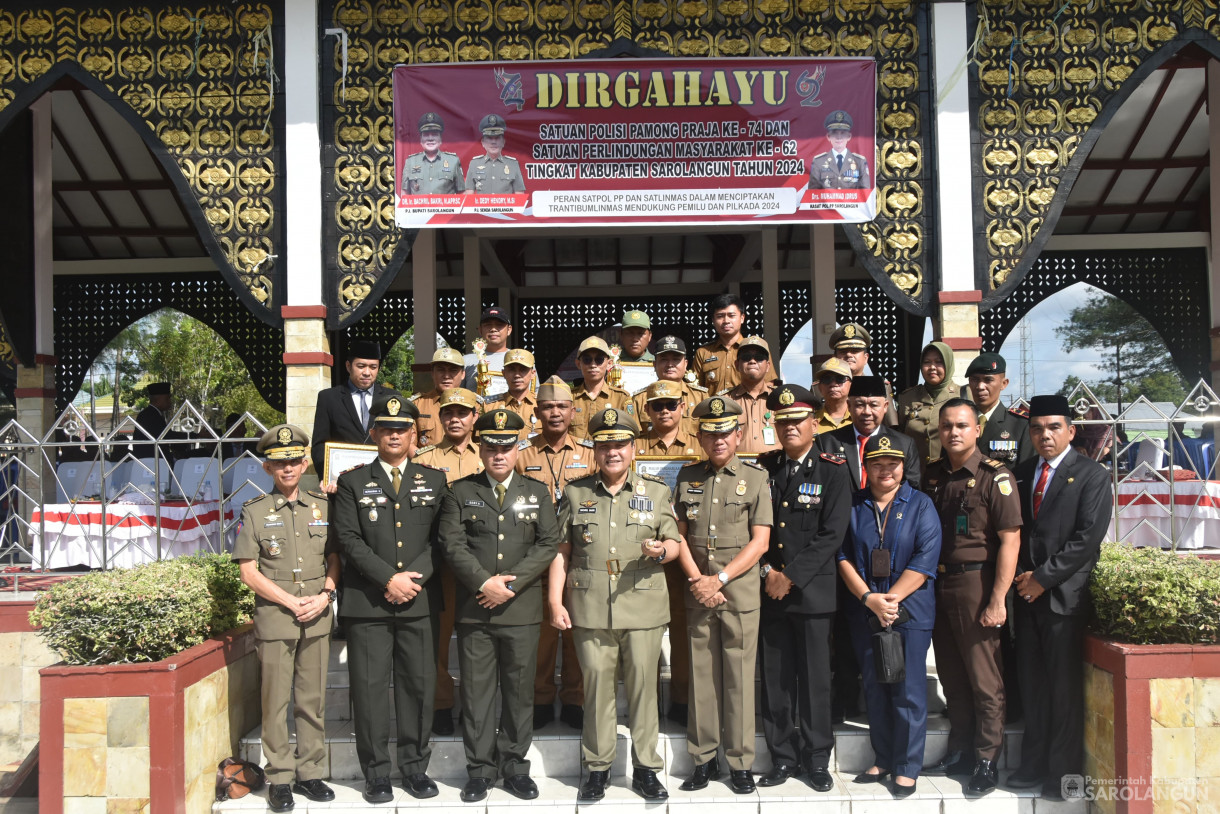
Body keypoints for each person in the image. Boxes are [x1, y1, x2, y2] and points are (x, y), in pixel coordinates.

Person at [548, 407, 680, 802]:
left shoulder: (656, 492)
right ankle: (598, 768)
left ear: (633, 448)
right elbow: (561, 552)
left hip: (642, 607)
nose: (612, 452)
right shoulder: (576, 492)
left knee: (643, 690)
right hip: (590, 606)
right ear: (595, 450)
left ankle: (646, 769)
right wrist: (555, 601)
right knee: (597, 690)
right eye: (604, 445)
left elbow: (674, 543)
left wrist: (661, 551)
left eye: (620, 444)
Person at [437, 408, 560, 803]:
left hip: (521, 610)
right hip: (476, 610)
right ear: (481, 449)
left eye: (506, 447)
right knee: (476, 693)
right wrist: (483, 582)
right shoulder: (460, 492)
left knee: (520, 692)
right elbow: (451, 545)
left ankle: (514, 767)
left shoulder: (537, 491)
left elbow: (548, 544)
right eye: (491, 447)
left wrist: (512, 583)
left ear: (517, 448)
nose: (499, 455)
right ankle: (479, 769)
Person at [331, 394, 449, 804]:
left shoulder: (435, 481)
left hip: (418, 601)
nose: (394, 435)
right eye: (386, 428)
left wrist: (409, 581)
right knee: (369, 689)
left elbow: (441, 540)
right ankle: (377, 772)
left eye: (402, 429)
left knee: (418, 687)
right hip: (368, 602)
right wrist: (388, 578)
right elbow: (347, 539)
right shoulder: (351, 482)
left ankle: (415, 768)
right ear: (374, 432)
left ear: (413, 433)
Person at [1008, 395, 1112, 799]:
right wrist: (1021, 579)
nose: (1044, 435)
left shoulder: (1091, 475)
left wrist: (1043, 578)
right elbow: (1015, 532)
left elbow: (1087, 539)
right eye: (1037, 428)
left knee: (1063, 690)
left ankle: (1062, 773)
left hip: (1063, 599)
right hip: (1025, 596)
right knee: (1032, 685)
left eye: (1053, 427)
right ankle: (1032, 763)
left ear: (1070, 430)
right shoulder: (1021, 472)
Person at [233, 424, 340, 812]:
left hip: (316, 614)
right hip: (278, 616)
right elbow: (248, 570)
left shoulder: (323, 506)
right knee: (275, 701)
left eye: (295, 460)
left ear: (305, 462)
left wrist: (325, 594)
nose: (289, 469)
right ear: (267, 468)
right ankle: (279, 775)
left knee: (311, 700)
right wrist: (290, 602)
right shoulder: (256, 512)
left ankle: (310, 771)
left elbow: (334, 558)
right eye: (280, 463)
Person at [921, 398, 1022, 794]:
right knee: (951, 674)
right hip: (937, 584)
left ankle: (986, 758)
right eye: (946, 426)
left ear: (977, 429)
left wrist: (998, 599)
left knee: (984, 678)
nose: (953, 432)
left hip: (975, 584)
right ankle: (960, 749)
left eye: (962, 425)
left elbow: (1010, 541)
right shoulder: (933, 476)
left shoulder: (994, 476)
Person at [674, 396, 772, 794]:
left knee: (738, 680)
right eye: (710, 433)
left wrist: (721, 579)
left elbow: (760, 541)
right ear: (699, 436)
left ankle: (740, 762)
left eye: (725, 432)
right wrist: (699, 579)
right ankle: (703, 759)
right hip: (698, 590)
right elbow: (677, 534)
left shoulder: (757, 478)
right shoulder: (685, 476)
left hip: (739, 593)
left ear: (738, 434)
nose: (718, 440)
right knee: (702, 679)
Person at [756, 385, 851, 792]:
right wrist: (766, 574)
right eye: (782, 421)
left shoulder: (833, 470)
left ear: (815, 422)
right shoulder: (764, 468)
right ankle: (782, 756)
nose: (790, 427)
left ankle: (816, 758)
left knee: (814, 681)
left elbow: (831, 535)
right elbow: (753, 530)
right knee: (776, 680)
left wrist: (788, 576)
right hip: (769, 591)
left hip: (811, 593)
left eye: (797, 420)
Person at [838, 435, 941, 798]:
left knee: (908, 689)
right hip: (866, 609)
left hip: (909, 609)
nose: (886, 470)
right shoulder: (854, 505)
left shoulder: (921, 504)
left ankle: (907, 766)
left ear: (903, 467)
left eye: (893, 463)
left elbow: (926, 558)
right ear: (866, 466)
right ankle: (883, 757)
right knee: (876, 687)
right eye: (878, 463)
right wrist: (870, 598)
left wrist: (891, 600)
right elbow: (842, 556)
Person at [515, 376, 592, 731]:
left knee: (575, 632)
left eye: (562, 406)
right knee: (542, 636)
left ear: (572, 410)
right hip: (535, 556)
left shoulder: (590, 453)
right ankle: (542, 697)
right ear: (537, 411)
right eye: (547, 407)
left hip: (579, 556)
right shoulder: (522, 454)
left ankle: (574, 697)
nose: (555, 413)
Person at [414, 387, 484, 736]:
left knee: (476, 639)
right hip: (439, 562)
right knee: (438, 638)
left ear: (475, 417)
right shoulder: (423, 460)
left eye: (462, 412)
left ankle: (476, 705)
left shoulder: (489, 455)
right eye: (448, 413)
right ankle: (442, 703)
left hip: (479, 563)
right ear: (440, 417)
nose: (454, 418)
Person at [632, 378, 699, 726]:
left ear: (683, 406)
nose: (664, 411)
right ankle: (643, 706)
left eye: (671, 404)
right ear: (647, 410)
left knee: (685, 630)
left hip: (686, 550)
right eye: (657, 405)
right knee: (643, 632)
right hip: (641, 554)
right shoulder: (634, 447)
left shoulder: (699, 446)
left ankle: (682, 700)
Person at [816, 376, 921, 490]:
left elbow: (912, 489)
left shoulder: (904, 444)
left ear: (885, 406)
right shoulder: (826, 442)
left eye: (874, 405)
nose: (867, 412)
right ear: (849, 406)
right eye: (859, 405)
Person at [310, 340, 395, 478]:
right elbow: (320, 445)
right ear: (348, 366)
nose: (367, 372)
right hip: (342, 480)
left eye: (373, 367)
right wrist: (328, 477)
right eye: (361, 366)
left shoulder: (391, 398)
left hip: (382, 478)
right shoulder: (329, 398)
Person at [966, 352, 1036, 468]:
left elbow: (1026, 473)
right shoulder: (959, 422)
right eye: (974, 380)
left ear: (1004, 384)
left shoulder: (1021, 425)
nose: (980, 386)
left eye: (988, 380)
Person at [631, 335, 706, 438]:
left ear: (685, 364)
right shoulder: (640, 399)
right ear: (654, 364)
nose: (670, 364)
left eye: (676, 359)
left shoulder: (701, 397)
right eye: (664, 360)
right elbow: (633, 440)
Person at [898, 341, 962, 463]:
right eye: (927, 362)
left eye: (939, 362)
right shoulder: (907, 397)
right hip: (916, 475)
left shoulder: (963, 396)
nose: (932, 367)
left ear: (948, 364)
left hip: (951, 474)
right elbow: (899, 436)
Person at [831, 323, 899, 426]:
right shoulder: (820, 388)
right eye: (843, 351)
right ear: (835, 357)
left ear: (866, 357)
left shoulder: (880, 386)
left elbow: (891, 427)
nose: (849, 355)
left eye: (855, 351)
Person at [722, 336, 780, 454]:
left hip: (774, 469)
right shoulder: (725, 401)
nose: (752, 361)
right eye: (746, 357)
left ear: (768, 366)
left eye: (759, 358)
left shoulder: (779, 398)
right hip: (738, 469)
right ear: (737, 364)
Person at [570, 336, 633, 440]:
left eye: (599, 360)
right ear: (578, 364)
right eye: (587, 360)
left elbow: (630, 436)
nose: (593, 365)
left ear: (609, 364)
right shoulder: (568, 398)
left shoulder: (621, 398)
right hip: (577, 456)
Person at [411, 347, 475, 449]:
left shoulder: (475, 405)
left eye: (453, 370)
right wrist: (426, 463)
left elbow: (481, 445)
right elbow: (409, 444)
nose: (446, 376)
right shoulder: (416, 405)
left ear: (463, 374)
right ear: (432, 373)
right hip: (425, 463)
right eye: (441, 370)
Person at [692, 293, 746, 391]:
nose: (726, 320)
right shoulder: (703, 353)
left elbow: (767, 384)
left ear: (742, 318)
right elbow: (695, 391)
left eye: (731, 315)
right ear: (713, 320)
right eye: (720, 316)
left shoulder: (755, 349)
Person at [401, 112, 463, 195]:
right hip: (419, 208)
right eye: (426, 135)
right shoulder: (410, 162)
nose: (430, 139)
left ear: (440, 138)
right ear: (421, 139)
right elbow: (405, 194)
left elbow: (462, 193)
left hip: (446, 208)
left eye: (434, 134)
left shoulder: (453, 161)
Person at [808, 109, 871, 190]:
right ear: (828, 137)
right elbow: (813, 194)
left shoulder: (859, 161)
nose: (839, 137)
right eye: (834, 133)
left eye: (843, 133)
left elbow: (865, 193)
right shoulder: (818, 162)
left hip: (852, 203)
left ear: (849, 136)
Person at [465, 114, 526, 193]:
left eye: (497, 138)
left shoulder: (513, 164)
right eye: (489, 138)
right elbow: (469, 194)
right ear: (483, 142)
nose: (493, 142)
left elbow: (519, 194)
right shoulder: (474, 164)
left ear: (503, 142)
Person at [462, 305, 514, 396]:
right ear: (480, 330)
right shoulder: (465, 361)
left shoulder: (520, 358)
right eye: (488, 325)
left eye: (499, 325)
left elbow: (533, 392)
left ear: (509, 330)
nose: (493, 329)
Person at [485, 349, 538, 436]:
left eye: (523, 370)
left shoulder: (541, 405)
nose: (517, 375)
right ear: (504, 373)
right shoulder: (489, 406)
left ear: (533, 373)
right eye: (512, 370)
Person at [814, 358, 854, 434]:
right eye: (826, 379)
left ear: (851, 385)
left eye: (840, 378)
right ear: (820, 387)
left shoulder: (860, 420)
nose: (833, 384)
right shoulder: (810, 421)